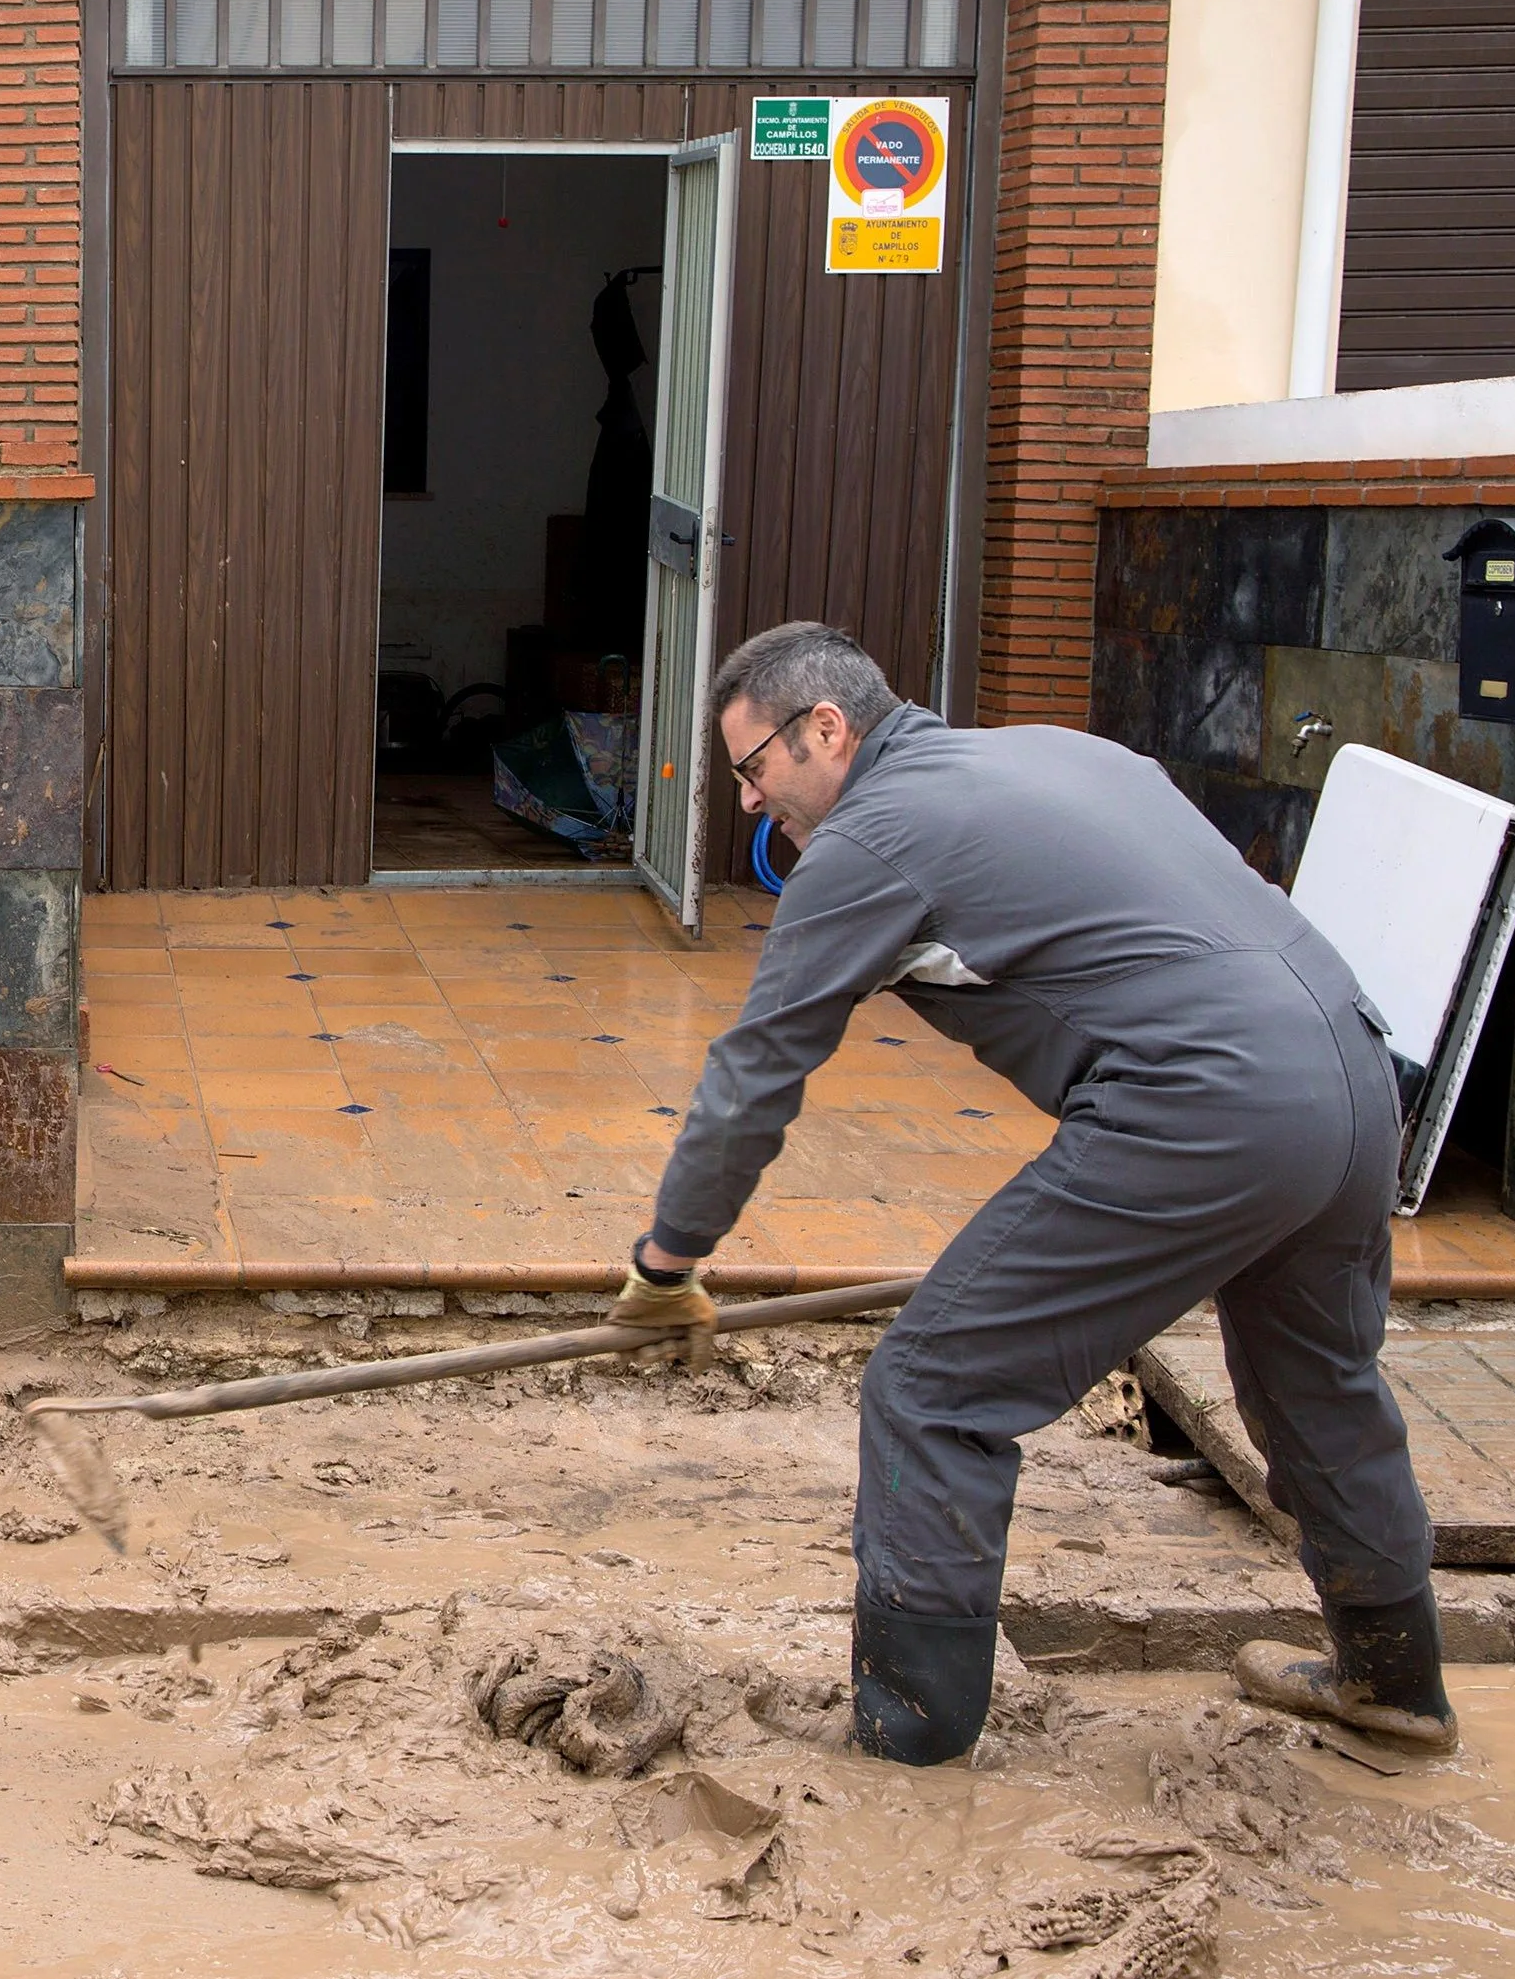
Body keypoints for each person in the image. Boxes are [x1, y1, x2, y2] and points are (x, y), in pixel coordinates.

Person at [608, 621, 1453, 1766]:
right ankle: (1394, 1686)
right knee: (1318, 1387)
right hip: (1352, 1077)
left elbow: (758, 1067)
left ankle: (911, 1739)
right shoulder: (1067, 756)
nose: (752, 803)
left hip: (1202, 1102)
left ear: (825, 729)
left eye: (754, 768)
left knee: (933, 1386)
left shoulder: (874, 836)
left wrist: (670, 1260)